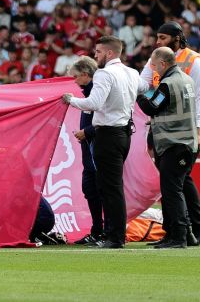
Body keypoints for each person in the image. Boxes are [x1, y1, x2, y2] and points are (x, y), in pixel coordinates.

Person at [62, 36, 143, 249]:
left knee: (110, 188)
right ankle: (114, 234)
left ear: (108, 53)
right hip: (124, 133)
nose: (95, 55)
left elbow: (94, 103)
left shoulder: (105, 74)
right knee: (113, 187)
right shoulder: (132, 73)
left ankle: (114, 237)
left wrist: (71, 100)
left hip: (107, 134)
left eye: (97, 52)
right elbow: (143, 91)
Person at [140, 21, 200, 246]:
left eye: (162, 38)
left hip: (187, 129)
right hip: (170, 129)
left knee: (174, 181)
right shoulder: (158, 60)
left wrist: (198, 131)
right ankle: (192, 229)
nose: (157, 41)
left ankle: (182, 231)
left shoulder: (195, 63)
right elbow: (142, 83)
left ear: (177, 38)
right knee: (180, 178)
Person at [136, 47, 200, 249]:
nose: (153, 70)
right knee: (173, 190)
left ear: (163, 64)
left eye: (154, 66)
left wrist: (138, 93)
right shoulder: (186, 80)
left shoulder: (167, 84)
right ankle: (180, 234)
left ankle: (179, 236)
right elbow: (170, 109)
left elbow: (151, 107)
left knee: (172, 192)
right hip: (184, 142)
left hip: (174, 144)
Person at [68, 56, 104, 245]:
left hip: (98, 150)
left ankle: (106, 231)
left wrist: (87, 132)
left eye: (76, 77)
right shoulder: (88, 94)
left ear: (84, 74)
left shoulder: (97, 92)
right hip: (89, 154)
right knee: (90, 189)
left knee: (103, 191)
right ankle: (97, 231)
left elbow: (108, 119)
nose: (74, 81)